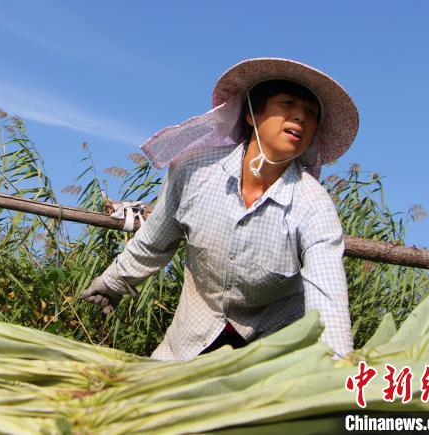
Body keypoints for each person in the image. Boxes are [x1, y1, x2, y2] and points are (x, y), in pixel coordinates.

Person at [82, 58, 359, 361]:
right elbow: (155, 241)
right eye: (288, 103)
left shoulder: (312, 205)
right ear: (253, 114)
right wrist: (112, 283)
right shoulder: (193, 171)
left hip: (269, 351)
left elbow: (327, 292)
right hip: (191, 340)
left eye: (311, 113)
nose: (301, 117)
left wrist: (337, 365)